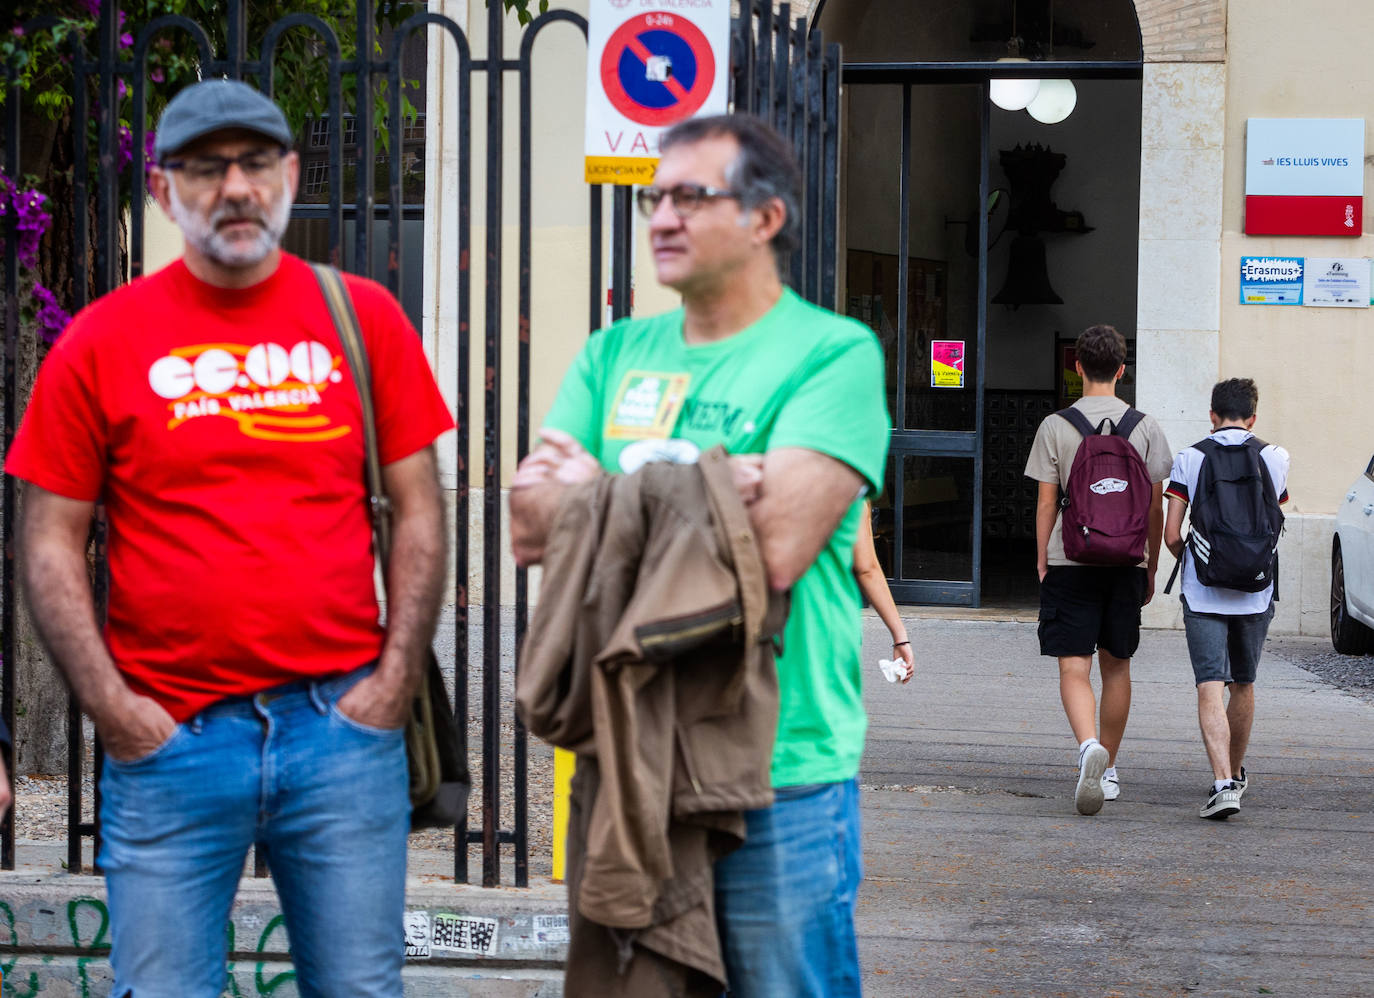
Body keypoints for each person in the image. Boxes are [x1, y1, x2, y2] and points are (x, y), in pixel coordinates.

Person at [6, 79, 452, 997]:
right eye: (206, 168)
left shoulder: (362, 319)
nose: (235, 187)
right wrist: (115, 713)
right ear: (164, 192)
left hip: (340, 733)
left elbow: (420, 507)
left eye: (255, 163)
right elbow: (49, 539)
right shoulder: (99, 341)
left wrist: (394, 682)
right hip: (170, 742)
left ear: (290, 175)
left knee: (362, 992)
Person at [510, 114, 890, 997]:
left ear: (765, 218)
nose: (661, 218)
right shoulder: (615, 351)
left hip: (783, 776)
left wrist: (602, 486)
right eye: (654, 198)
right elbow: (528, 521)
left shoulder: (832, 355)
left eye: (690, 196)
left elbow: (773, 549)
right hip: (630, 759)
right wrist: (704, 483)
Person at [1024, 324, 1171, 815]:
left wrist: (1042, 553)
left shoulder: (1055, 425)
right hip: (1127, 560)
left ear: (1078, 367)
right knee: (1118, 665)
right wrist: (1149, 562)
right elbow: (1152, 507)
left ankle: (1088, 746)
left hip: (1072, 558)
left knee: (1073, 665)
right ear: (1122, 371)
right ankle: (1108, 772)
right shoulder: (1146, 427)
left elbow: (1047, 501)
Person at [1164, 378, 1289, 820]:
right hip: (1256, 593)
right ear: (1253, 417)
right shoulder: (1275, 456)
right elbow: (1275, 519)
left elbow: (1171, 535)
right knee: (1244, 682)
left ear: (1212, 415)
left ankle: (1222, 784)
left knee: (1209, 683)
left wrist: (1201, 563)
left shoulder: (1191, 457)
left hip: (1204, 592)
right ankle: (1235, 773)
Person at [854, 502, 914, 683]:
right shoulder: (850, 493)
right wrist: (900, 638)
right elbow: (867, 570)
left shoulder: (774, 483)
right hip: (830, 621)